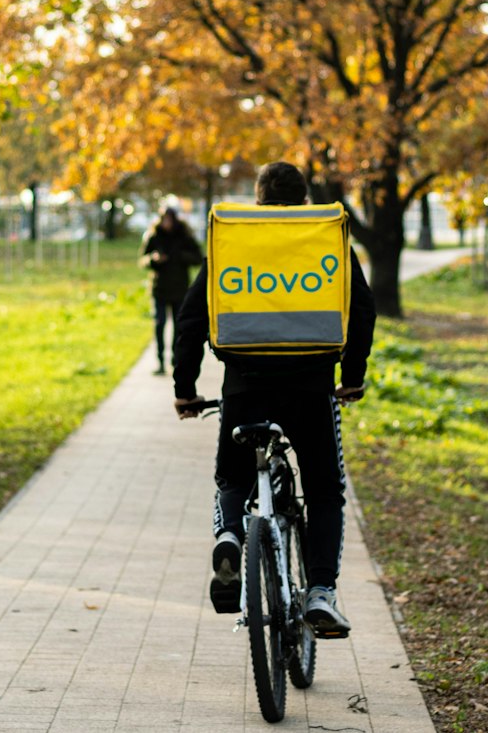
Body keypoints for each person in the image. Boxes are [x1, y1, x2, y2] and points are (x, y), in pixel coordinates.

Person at [173, 161, 375, 639]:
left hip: (246, 388)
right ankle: (321, 591)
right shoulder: (326, 240)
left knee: (232, 478)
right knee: (325, 489)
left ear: (259, 201)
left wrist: (185, 389)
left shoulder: (234, 244)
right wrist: (352, 376)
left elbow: (189, 322)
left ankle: (228, 538)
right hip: (312, 387)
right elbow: (362, 311)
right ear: (305, 201)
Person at [139, 203, 203, 376]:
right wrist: (154, 259)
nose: (166, 223)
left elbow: (198, 257)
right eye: (164, 219)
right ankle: (160, 361)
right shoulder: (154, 236)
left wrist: (181, 257)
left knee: (178, 326)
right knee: (159, 324)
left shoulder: (184, 237)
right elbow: (143, 259)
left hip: (180, 289)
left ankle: (176, 359)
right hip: (159, 289)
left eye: (169, 219)